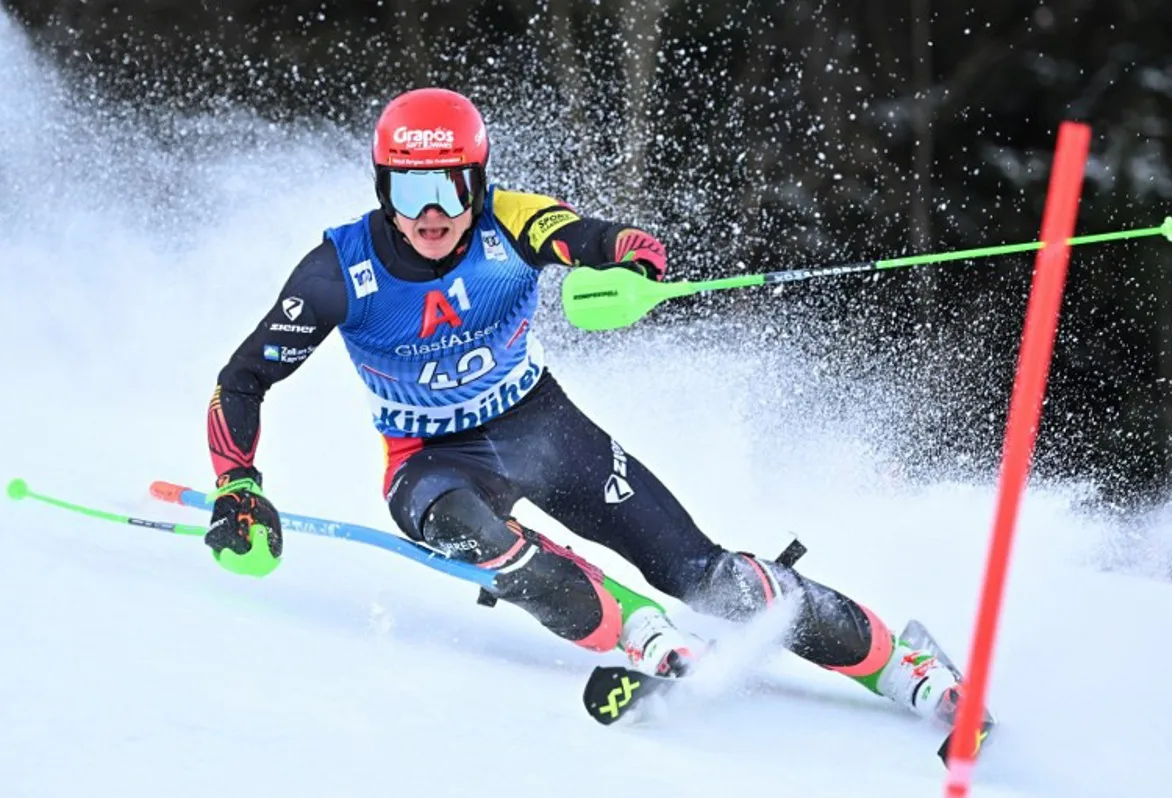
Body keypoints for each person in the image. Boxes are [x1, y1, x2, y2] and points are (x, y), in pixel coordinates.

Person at [203, 86, 966, 727]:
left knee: (706, 575)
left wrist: (630, 252)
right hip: (430, 463)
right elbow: (242, 380)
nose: (431, 214)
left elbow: (584, 236)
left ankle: (902, 665)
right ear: (382, 188)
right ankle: (638, 630)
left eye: (451, 188)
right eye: (410, 190)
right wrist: (239, 485)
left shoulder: (509, 220)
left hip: (544, 426)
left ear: (478, 183)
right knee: (469, 531)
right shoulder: (339, 271)